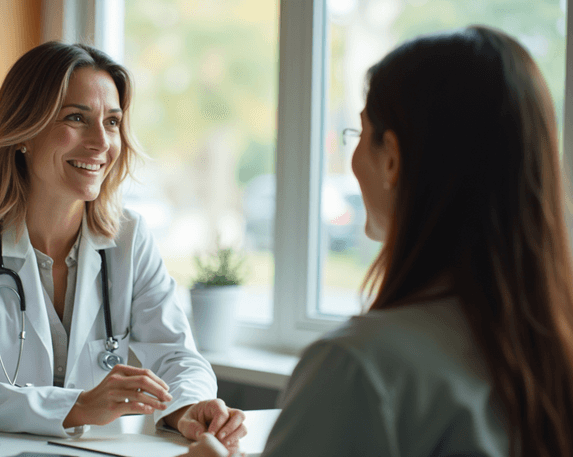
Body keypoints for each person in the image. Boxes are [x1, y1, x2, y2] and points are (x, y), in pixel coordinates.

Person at [180, 25, 573, 457]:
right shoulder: (548, 352)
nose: (353, 157)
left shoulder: (359, 367)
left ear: (391, 160)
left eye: (360, 133)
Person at [0, 41, 246, 447]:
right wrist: (79, 406)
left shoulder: (128, 238)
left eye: (112, 122)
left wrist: (188, 408)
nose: (101, 142)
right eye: (76, 118)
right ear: (23, 133)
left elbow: (177, 356)